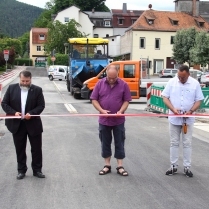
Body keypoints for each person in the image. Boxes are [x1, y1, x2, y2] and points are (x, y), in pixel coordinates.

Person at [1, 70, 45, 180]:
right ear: (19, 79)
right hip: (17, 125)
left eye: (27, 81)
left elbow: (41, 105)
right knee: (20, 148)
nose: (25, 83)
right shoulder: (11, 89)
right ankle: (21, 170)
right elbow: (4, 103)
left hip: (33, 124)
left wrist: (32, 113)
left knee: (36, 149)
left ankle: (37, 170)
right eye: (23, 81)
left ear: (30, 79)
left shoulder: (37, 90)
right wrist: (14, 113)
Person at [161, 65, 204, 177]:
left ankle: (187, 167)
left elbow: (199, 100)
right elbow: (165, 97)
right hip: (174, 118)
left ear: (188, 74)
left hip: (188, 119)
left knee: (187, 143)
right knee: (174, 142)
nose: (180, 79)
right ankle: (173, 166)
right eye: (179, 76)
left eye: (183, 77)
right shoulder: (172, 82)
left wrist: (191, 111)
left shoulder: (195, 84)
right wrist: (173, 109)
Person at [90, 65, 132, 176]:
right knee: (105, 142)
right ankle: (107, 165)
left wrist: (121, 111)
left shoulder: (123, 85)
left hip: (118, 120)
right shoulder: (99, 84)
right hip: (104, 120)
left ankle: (120, 166)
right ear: (106, 74)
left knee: (120, 142)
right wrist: (101, 110)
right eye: (109, 77)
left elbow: (126, 100)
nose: (112, 80)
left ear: (118, 73)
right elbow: (94, 99)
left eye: (114, 77)